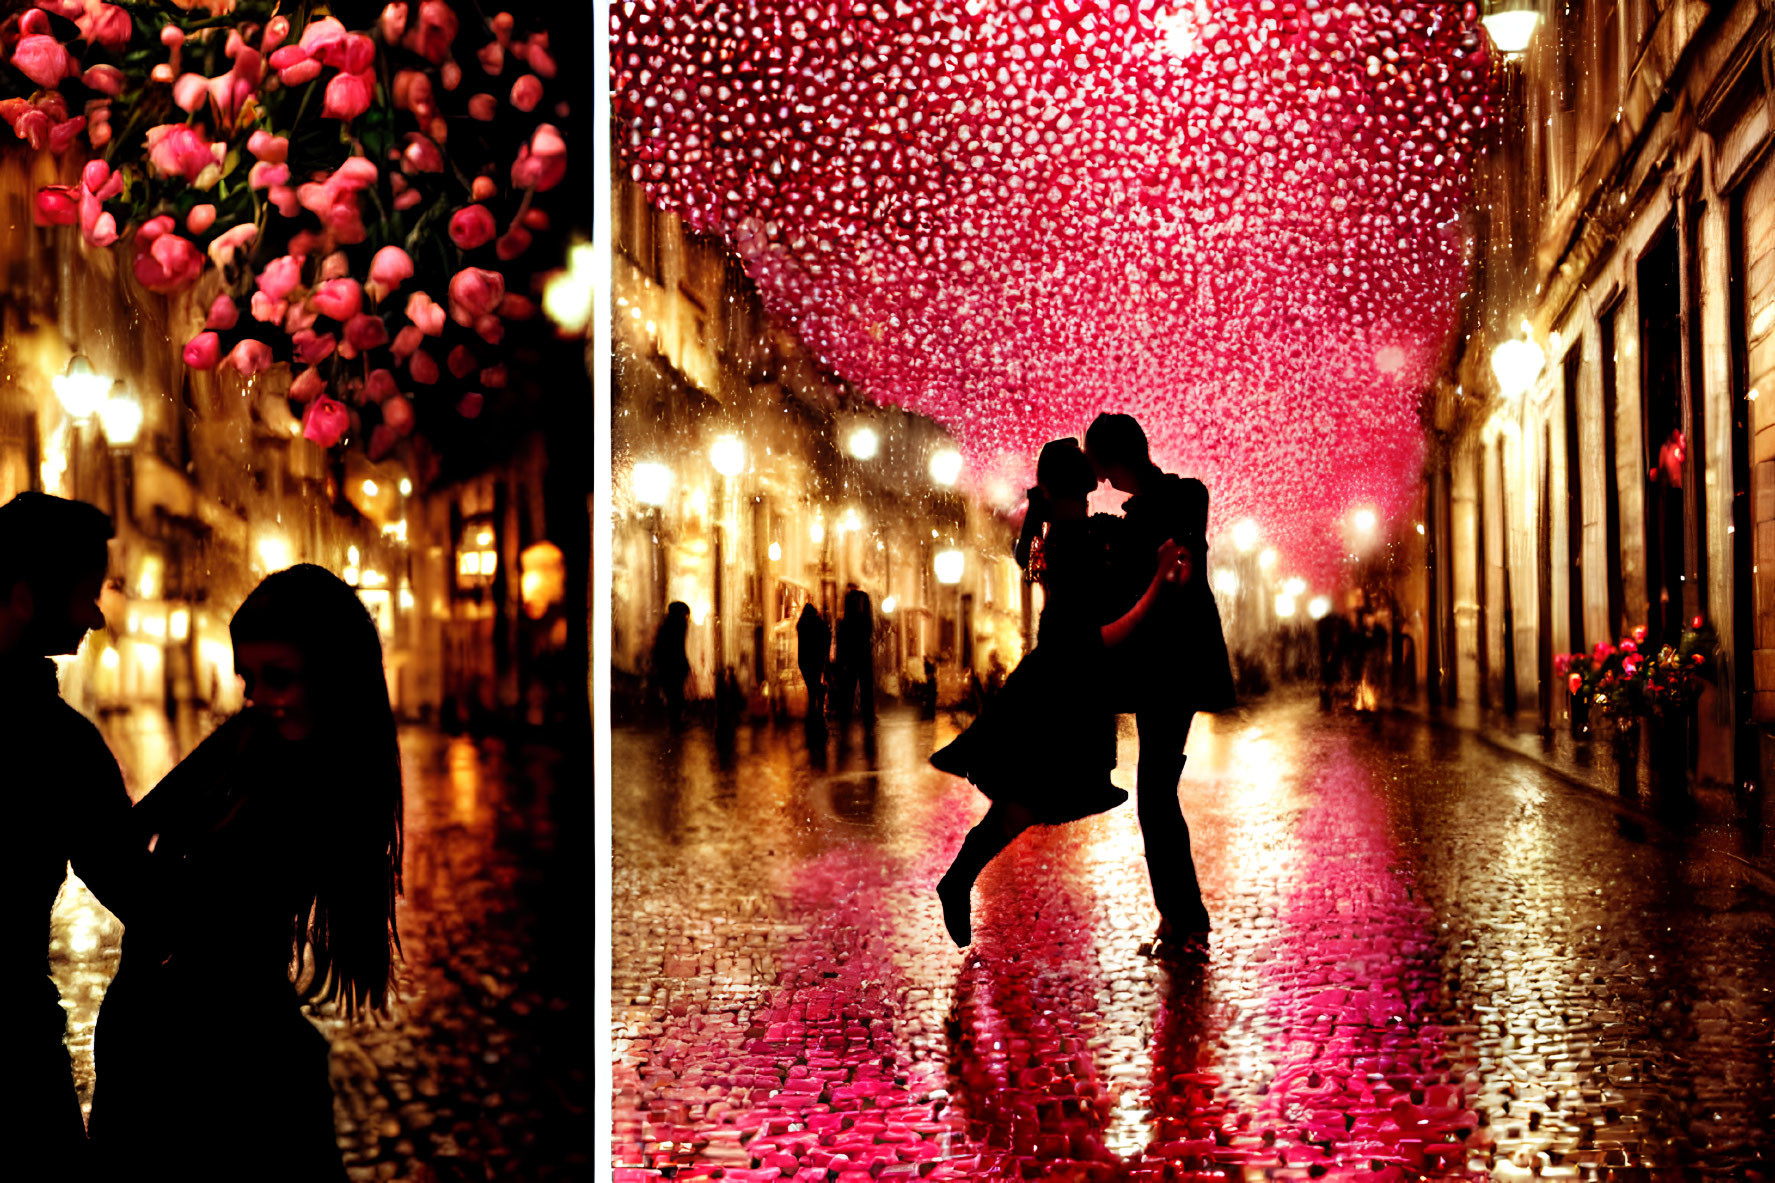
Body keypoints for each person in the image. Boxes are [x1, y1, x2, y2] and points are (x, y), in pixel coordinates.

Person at [90, 564, 404, 1182]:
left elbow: (194, 915)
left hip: (219, 1068)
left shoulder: (321, 787)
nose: (259, 697)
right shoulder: (254, 742)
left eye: (280, 678)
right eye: (250, 679)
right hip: (177, 1049)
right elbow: (140, 833)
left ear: (333, 676)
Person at [931, 439, 1189, 948]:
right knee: (1030, 797)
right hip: (1065, 688)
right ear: (1087, 487)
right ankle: (958, 878)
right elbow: (1100, 637)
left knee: (1027, 797)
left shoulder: (1069, 535)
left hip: (1058, 683)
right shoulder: (1076, 546)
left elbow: (1051, 569)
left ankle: (958, 877)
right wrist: (1158, 582)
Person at [0, 492, 166, 1176]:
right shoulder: (56, 743)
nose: (96, 615)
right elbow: (140, 887)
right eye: (83, 595)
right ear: (20, 595)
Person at [1085, 413, 1235, 947]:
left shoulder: (1179, 500)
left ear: (1118, 460)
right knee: (1157, 792)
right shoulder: (1145, 514)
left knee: (1155, 793)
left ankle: (1184, 920)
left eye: (1103, 470)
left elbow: (1171, 566)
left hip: (1174, 668)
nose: (1103, 484)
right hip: (1161, 671)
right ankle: (1180, 918)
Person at [832, 586, 875, 727]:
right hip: (860, 657)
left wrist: (840, 661)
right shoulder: (862, 621)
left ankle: (847, 716)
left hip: (852, 658)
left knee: (850, 689)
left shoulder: (847, 623)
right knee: (862, 688)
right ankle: (865, 716)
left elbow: (842, 642)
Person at [651, 601, 692, 730]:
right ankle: (676, 723)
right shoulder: (678, 625)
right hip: (674, 666)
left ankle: (675, 722)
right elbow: (677, 648)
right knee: (676, 695)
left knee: (674, 695)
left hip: (669, 666)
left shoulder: (667, 625)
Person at [796, 602, 830, 725]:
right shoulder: (818, 623)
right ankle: (818, 704)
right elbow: (827, 635)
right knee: (814, 682)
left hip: (805, 659)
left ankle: (814, 708)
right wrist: (825, 653)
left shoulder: (802, 623)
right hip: (816, 658)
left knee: (811, 684)